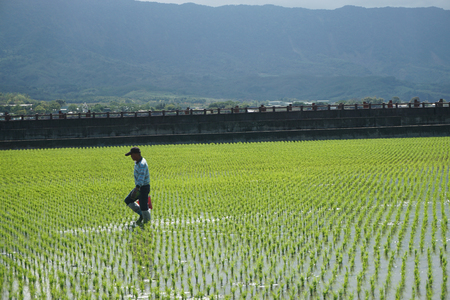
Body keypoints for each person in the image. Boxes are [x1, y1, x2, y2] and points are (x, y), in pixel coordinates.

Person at [124, 147, 151, 225]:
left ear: (136, 154)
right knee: (128, 200)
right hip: (140, 187)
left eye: (131, 155)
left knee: (144, 207)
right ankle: (142, 214)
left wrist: (136, 189)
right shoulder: (138, 162)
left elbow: (141, 178)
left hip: (143, 188)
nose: (131, 157)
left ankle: (148, 223)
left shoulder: (142, 164)